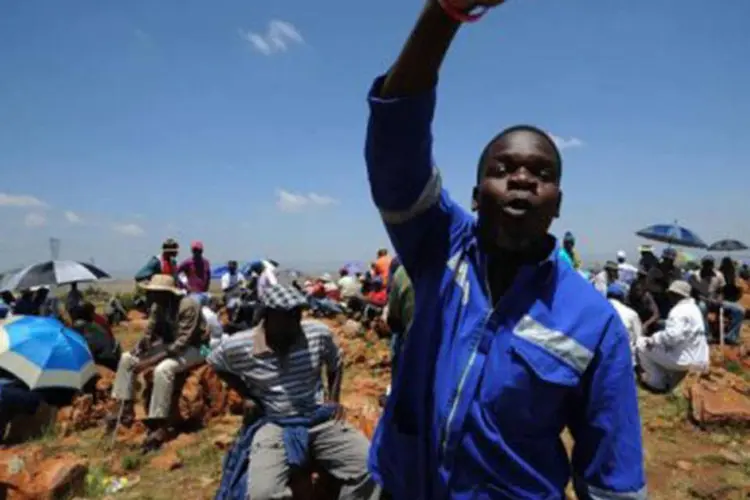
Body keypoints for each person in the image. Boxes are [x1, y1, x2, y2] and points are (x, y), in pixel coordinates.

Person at [363, 2, 645, 498]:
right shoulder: (438, 248)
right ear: (474, 196)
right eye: (502, 169)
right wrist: (444, 13)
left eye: (542, 174)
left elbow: (611, 473)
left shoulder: (593, 322)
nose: (521, 179)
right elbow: (395, 139)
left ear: (558, 204)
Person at [208, 284, 379, 500]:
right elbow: (215, 363)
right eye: (287, 316)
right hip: (275, 422)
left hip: (319, 418)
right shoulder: (240, 345)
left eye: (297, 314)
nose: (295, 322)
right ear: (268, 316)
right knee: (263, 493)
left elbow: (335, 362)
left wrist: (333, 399)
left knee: (370, 467)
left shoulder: (316, 334)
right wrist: (247, 395)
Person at [106, 274, 206, 451]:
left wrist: (149, 362)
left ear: (167, 293)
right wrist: (141, 347)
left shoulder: (188, 305)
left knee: (163, 369)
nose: (151, 296)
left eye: (154, 293)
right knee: (127, 358)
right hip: (169, 345)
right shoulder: (158, 307)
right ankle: (124, 406)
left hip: (195, 348)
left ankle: (158, 423)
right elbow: (149, 333)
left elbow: (183, 342)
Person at [636, 281, 708, 392]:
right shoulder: (695, 309)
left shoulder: (678, 311)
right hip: (700, 358)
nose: (668, 296)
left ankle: (656, 383)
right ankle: (669, 379)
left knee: (641, 343)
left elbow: (672, 337)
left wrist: (654, 339)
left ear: (676, 295)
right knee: (662, 348)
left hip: (685, 360)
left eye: (670, 294)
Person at [689, 255, 745, 345]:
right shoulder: (694, 275)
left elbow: (721, 291)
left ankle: (731, 336)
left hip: (715, 300)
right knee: (702, 307)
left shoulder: (719, 275)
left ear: (712, 265)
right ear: (702, 264)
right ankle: (707, 335)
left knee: (740, 310)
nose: (708, 266)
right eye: (706, 264)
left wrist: (719, 299)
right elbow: (693, 293)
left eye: (710, 264)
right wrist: (705, 299)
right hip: (701, 300)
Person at [385, 260, 414, 395]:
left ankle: (397, 392)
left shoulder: (402, 273)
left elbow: (393, 319)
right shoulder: (453, 268)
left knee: (396, 342)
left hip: (412, 345)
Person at [607, 284, 642, 366]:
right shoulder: (631, 314)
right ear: (623, 297)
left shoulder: (597, 311)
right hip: (626, 360)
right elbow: (639, 340)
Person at [646, 247, 682, 318]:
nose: (668, 262)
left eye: (671, 260)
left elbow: (678, 286)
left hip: (670, 299)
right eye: (666, 259)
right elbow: (648, 285)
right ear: (663, 258)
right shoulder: (654, 270)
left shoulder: (676, 271)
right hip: (655, 298)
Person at [628, 268, 661, 335]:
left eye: (639, 290)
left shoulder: (647, 296)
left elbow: (656, 314)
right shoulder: (629, 296)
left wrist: (646, 324)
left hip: (646, 324)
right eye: (636, 290)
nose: (637, 292)